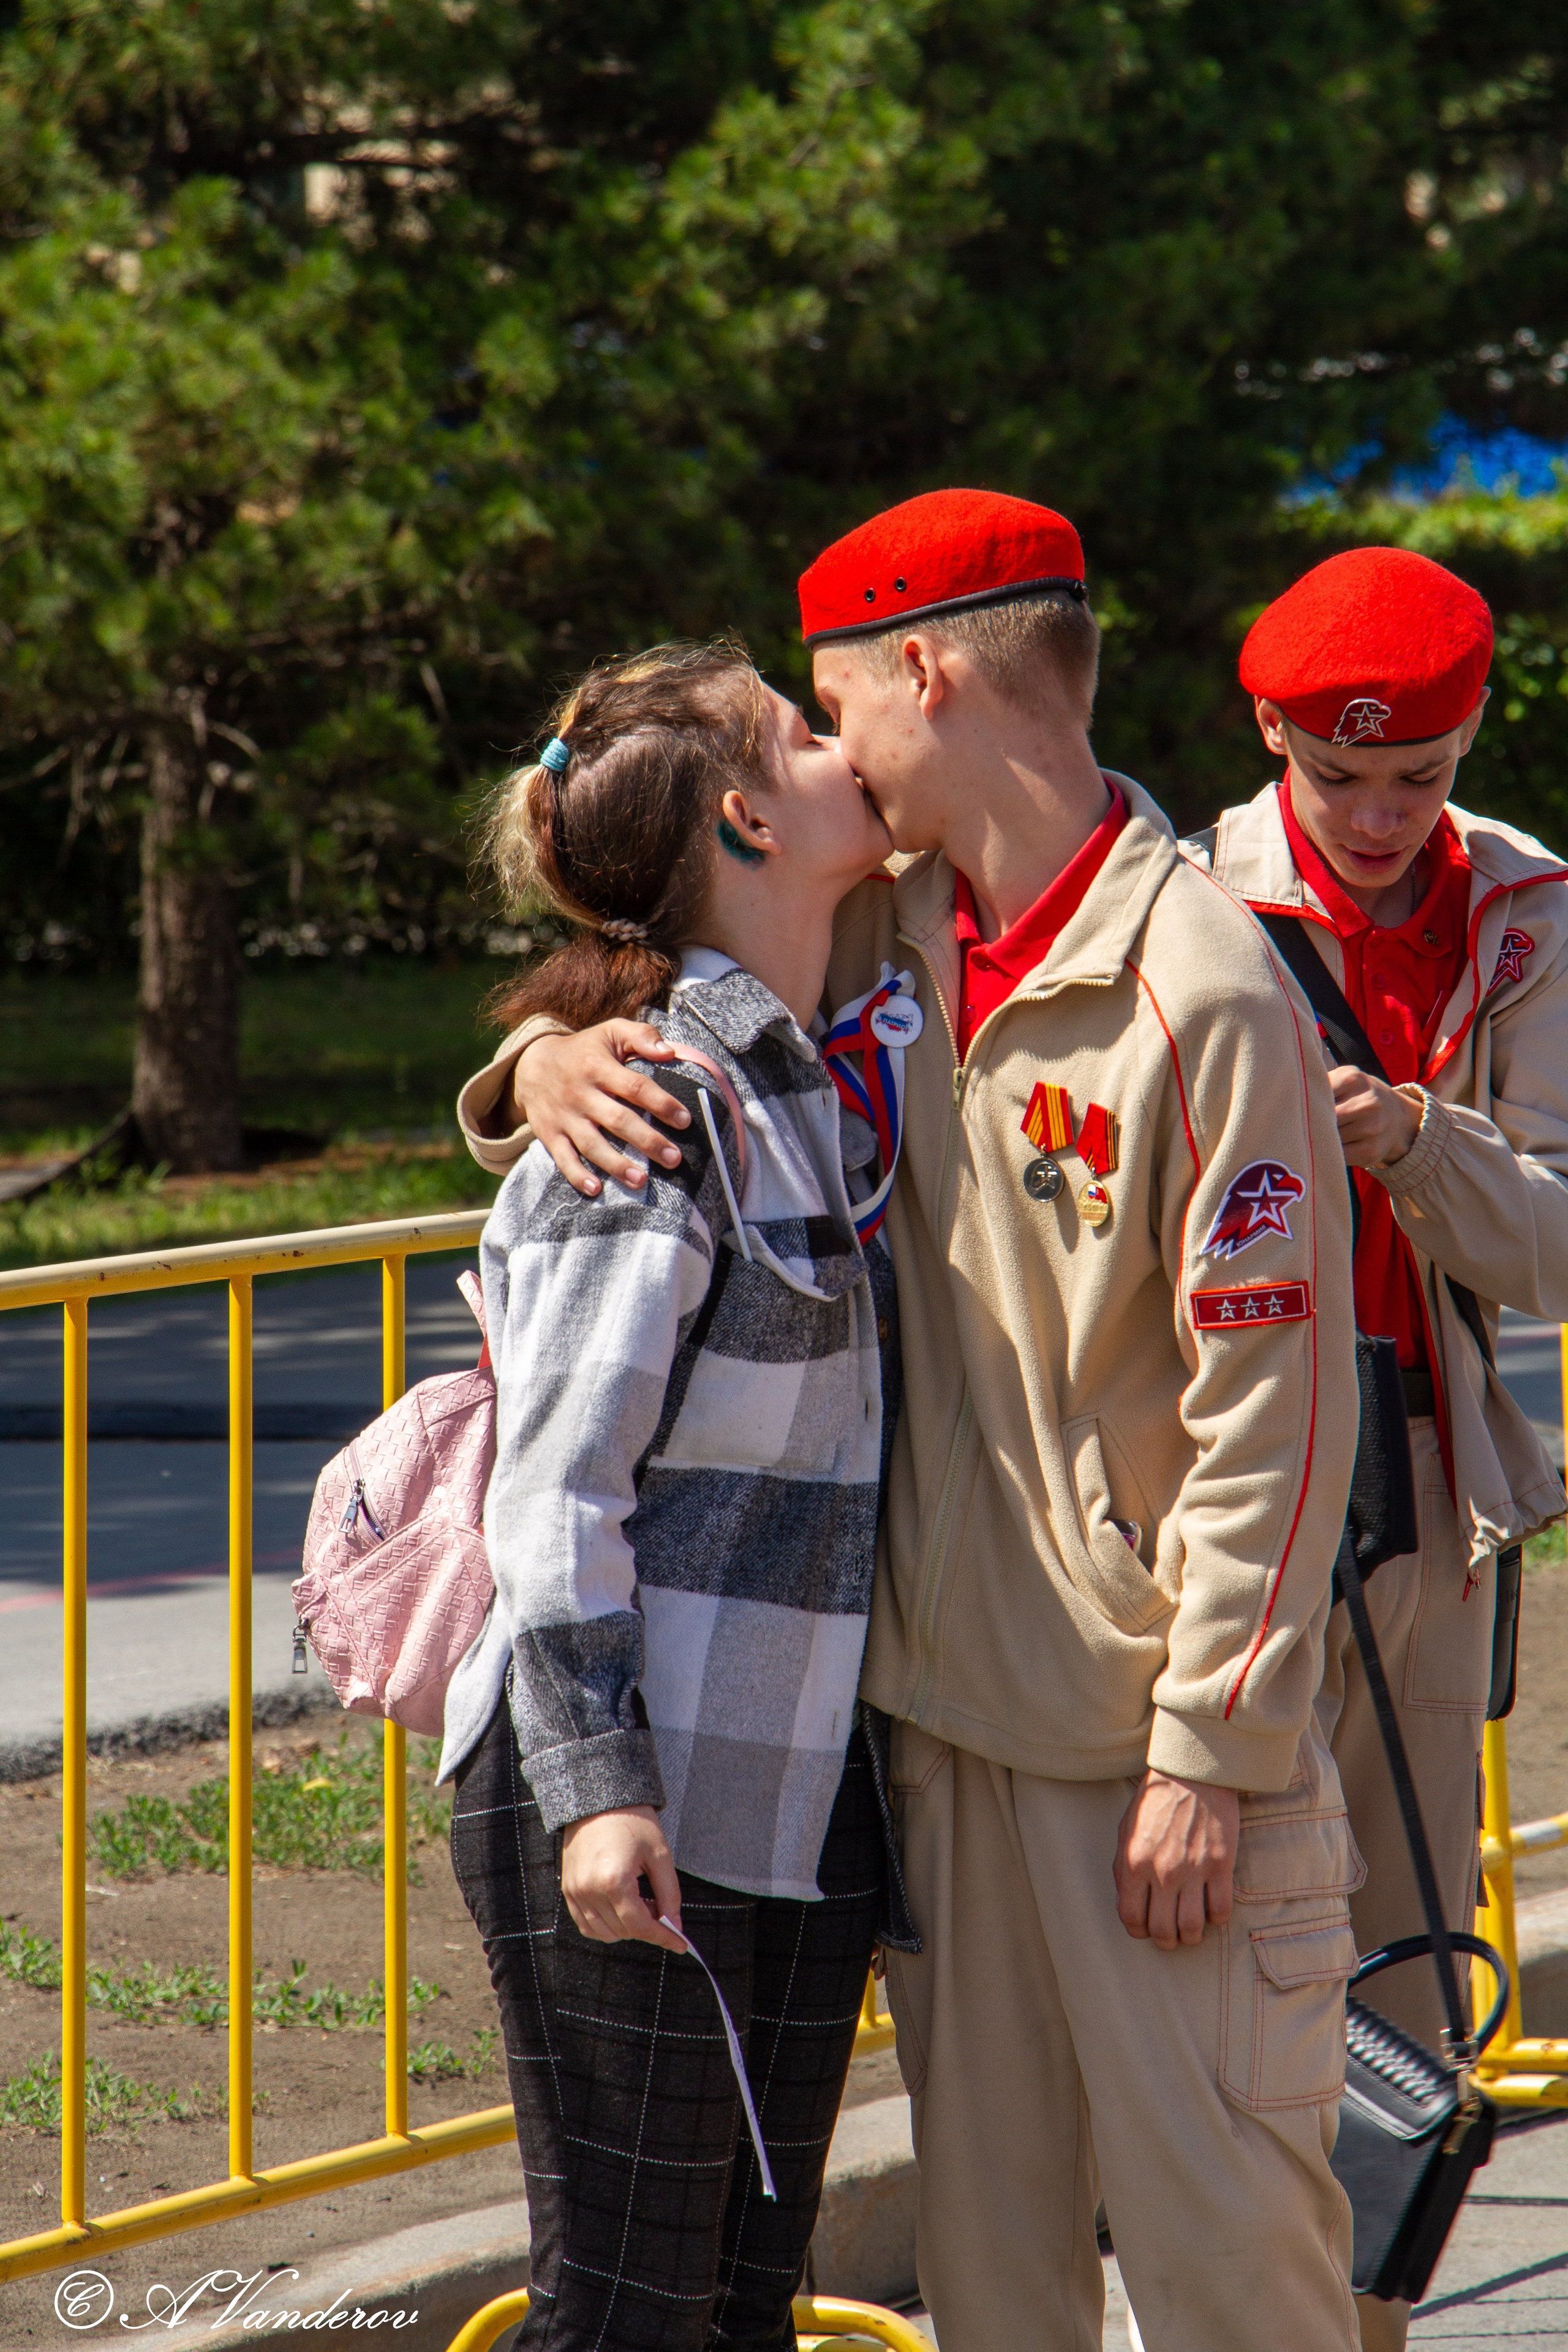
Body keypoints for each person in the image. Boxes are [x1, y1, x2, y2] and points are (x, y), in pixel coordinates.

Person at [456, 491, 1365, 2352]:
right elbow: (652, 945)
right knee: (996, 2284)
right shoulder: (894, 926)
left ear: (924, 675)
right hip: (931, 1758)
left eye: (829, 700)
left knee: (1230, 2274)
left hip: (1147, 1770)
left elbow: (1278, 1411)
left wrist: (1208, 1746)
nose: (830, 740)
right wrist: (528, 1069)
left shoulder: (1200, 984)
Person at [439, 640, 908, 2352]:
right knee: (629, 2313)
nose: (842, 734)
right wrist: (595, 1791)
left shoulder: (809, 1066)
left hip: (790, 1789)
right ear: (746, 820)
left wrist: (518, 1070)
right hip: (635, 1794)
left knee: (742, 2310)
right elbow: (556, 1499)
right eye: (801, 728)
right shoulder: (656, 1105)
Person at [1184, 546, 1568, 2350]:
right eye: (1337, 777)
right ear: (1267, 732)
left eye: (1419, 776)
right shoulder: (1181, 901)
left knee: (1402, 1965)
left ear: (1472, 735)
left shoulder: (1532, 909)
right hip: (1217, 1492)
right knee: (1226, 1952)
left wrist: (1415, 1136)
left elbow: (1557, 1246)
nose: (1379, 817)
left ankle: (1370, 2330)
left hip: (1418, 1488)